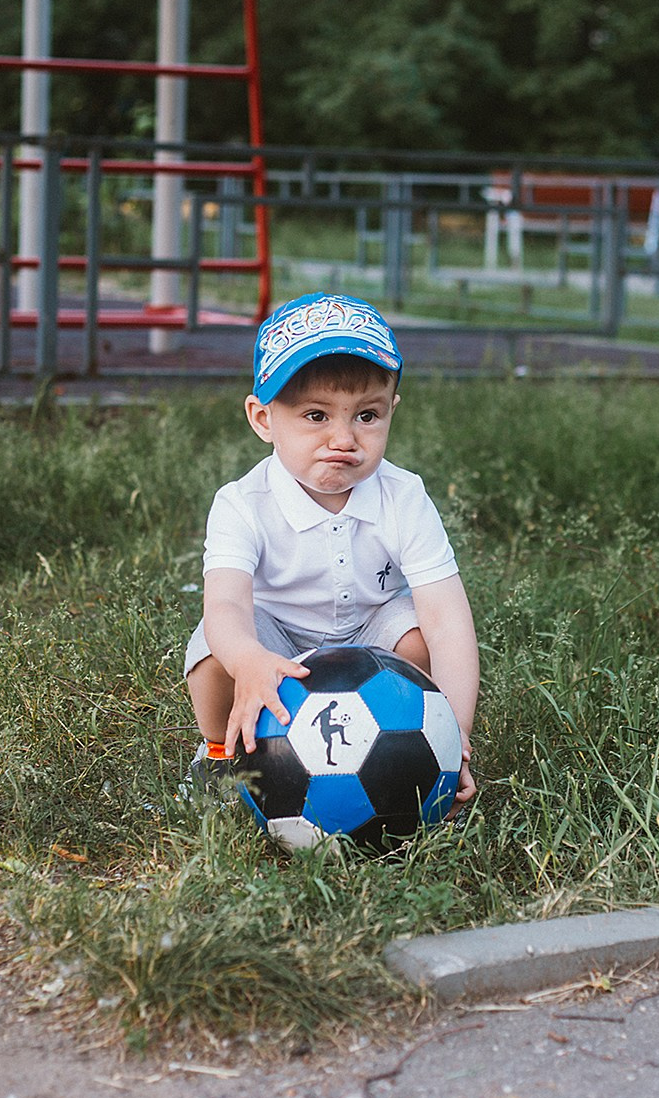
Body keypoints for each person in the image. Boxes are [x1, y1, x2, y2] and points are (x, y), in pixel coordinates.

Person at [185, 292, 480, 807]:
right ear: (263, 419)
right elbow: (226, 604)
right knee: (214, 653)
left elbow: (448, 617)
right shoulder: (241, 503)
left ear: (391, 411)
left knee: (418, 634)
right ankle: (220, 754)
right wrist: (249, 658)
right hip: (277, 640)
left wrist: (454, 731)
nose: (343, 438)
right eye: (316, 415)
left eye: (366, 415)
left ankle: (415, 748)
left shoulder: (404, 496)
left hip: (370, 640)